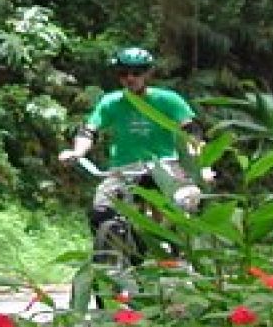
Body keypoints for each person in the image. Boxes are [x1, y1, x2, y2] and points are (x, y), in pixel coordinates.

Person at [57, 46, 203, 238]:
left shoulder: (168, 100)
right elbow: (89, 130)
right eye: (123, 73)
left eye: (137, 73)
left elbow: (191, 130)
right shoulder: (111, 102)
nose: (130, 78)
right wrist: (77, 153)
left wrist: (199, 160)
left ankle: (180, 255)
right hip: (124, 167)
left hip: (163, 164)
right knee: (101, 211)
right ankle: (111, 258)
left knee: (186, 200)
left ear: (148, 73)